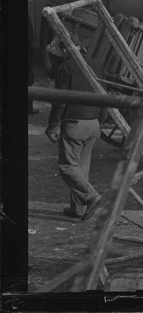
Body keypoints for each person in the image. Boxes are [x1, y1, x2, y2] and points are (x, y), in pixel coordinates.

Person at [45, 40, 106, 220]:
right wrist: (100, 121)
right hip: (94, 123)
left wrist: (53, 126)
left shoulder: (65, 68)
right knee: (81, 167)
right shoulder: (97, 65)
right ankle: (77, 208)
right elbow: (105, 95)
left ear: (66, 49)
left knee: (66, 166)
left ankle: (92, 196)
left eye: (59, 51)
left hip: (75, 124)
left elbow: (59, 101)